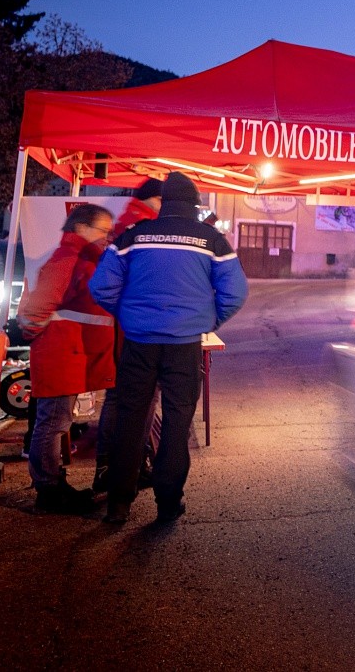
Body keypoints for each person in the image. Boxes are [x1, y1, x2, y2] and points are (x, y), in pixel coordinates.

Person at [90, 172, 249, 525]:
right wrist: (209, 321)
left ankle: (118, 504)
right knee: (177, 423)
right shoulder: (212, 240)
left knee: (130, 419)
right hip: (184, 346)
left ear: (163, 203)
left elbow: (101, 286)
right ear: (194, 205)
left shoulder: (133, 236)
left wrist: (129, 315)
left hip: (138, 344)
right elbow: (235, 293)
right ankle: (167, 503)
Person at [17, 204, 117, 515]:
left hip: (65, 354)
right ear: (81, 228)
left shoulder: (76, 258)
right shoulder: (67, 259)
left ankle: (51, 484)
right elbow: (35, 313)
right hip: (60, 355)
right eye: (102, 230)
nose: (107, 237)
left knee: (56, 422)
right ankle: (49, 489)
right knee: (53, 423)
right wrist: (41, 338)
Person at [94, 178, 165, 495]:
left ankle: (115, 468)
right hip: (140, 333)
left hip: (123, 329)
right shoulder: (145, 228)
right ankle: (124, 470)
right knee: (138, 398)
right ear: (156, 200)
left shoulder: (126, 224)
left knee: (120, 396)